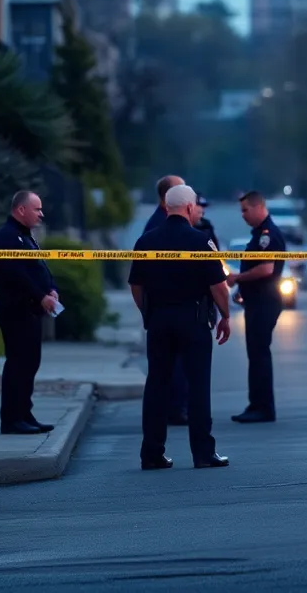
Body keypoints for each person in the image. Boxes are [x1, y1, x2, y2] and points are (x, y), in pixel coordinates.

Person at [129, 184, 232, 470]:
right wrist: (225, 315)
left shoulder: (146, 241)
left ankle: (151, 453)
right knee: (198, 386)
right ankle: (202, 453)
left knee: (156, 386)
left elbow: (135, 285)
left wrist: (147, 312)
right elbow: (219, 287)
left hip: (159, 320)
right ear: (189, 208)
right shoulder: (201, 241)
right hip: (193, 319)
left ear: (165, 207)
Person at [0, 191, 59, 434]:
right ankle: (11, 419)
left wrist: (51, 289)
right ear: (21, 210)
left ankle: (24, 413)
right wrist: (40, 296)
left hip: (30, 310)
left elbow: (40, 268)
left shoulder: (25, 237)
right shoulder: (7, 238)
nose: (41, 214)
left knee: (30, 363)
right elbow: (17, 275)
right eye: (37, 209)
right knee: (18, 363)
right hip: (16, 308)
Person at [226, 191, 286, 424]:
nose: (243, 215)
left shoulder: (268, 235)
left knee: (259, 352)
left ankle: (263, 407)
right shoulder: (260, 233)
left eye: (245, 210)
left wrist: (238, 278)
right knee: (256, 352)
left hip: (265, 301)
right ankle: (257, 404)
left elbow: (266, 269)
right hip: (257, 300)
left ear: (259, 206)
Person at [143, 174, 189, 426]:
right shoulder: (157, 227)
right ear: (168, 197)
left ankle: (175, 407)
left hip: (163, 308)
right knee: (173, 365)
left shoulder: (163, 224)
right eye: (182, 189)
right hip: (169, 307)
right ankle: (174, 409)